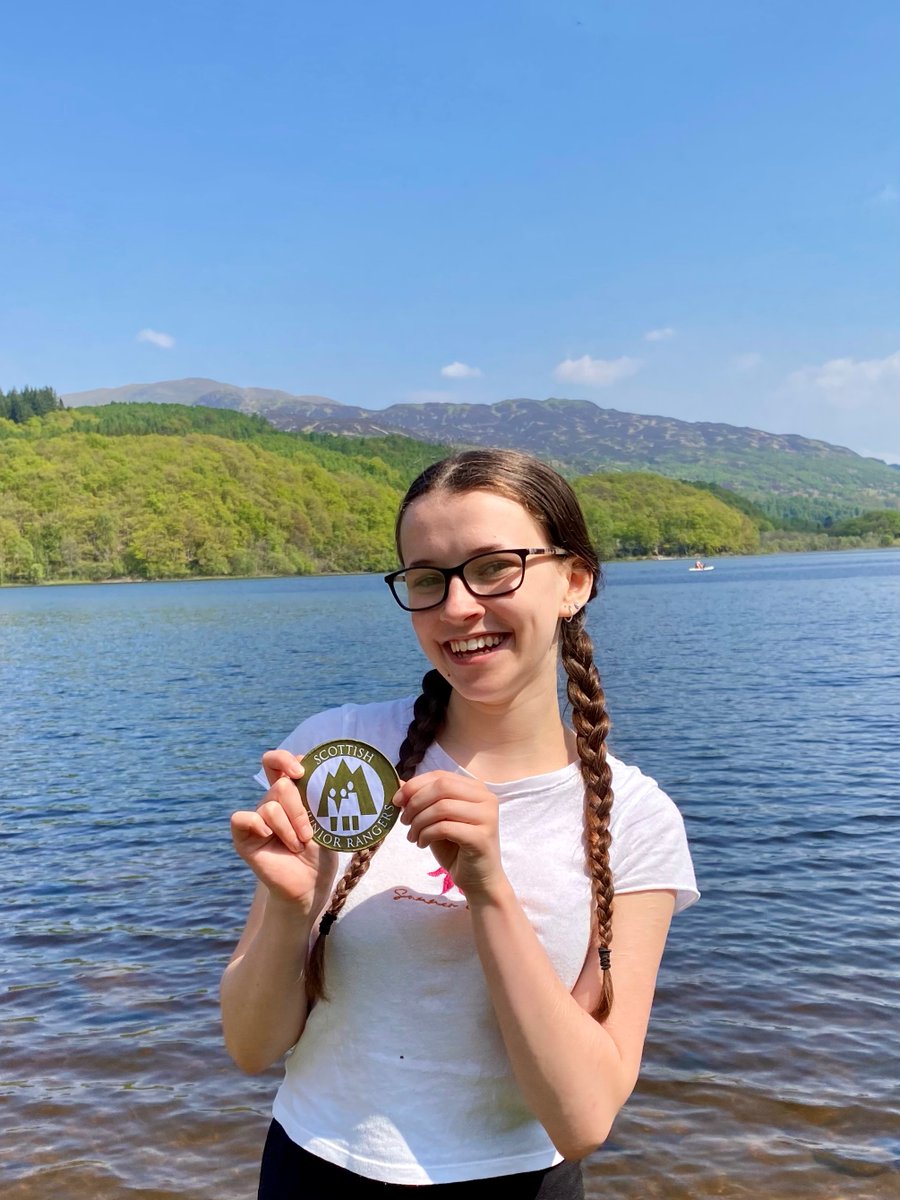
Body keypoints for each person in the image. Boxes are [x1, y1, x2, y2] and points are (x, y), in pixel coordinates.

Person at [221, 449, 698, 1200]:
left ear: (574, 582)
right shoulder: (337, 754)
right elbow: (252, 1047)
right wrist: (288, 904)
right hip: (313, 1167)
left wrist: (490, 891)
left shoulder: (635, 819)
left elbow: (583, 1120)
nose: (458, 607)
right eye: (427, 578)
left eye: (494, 566)